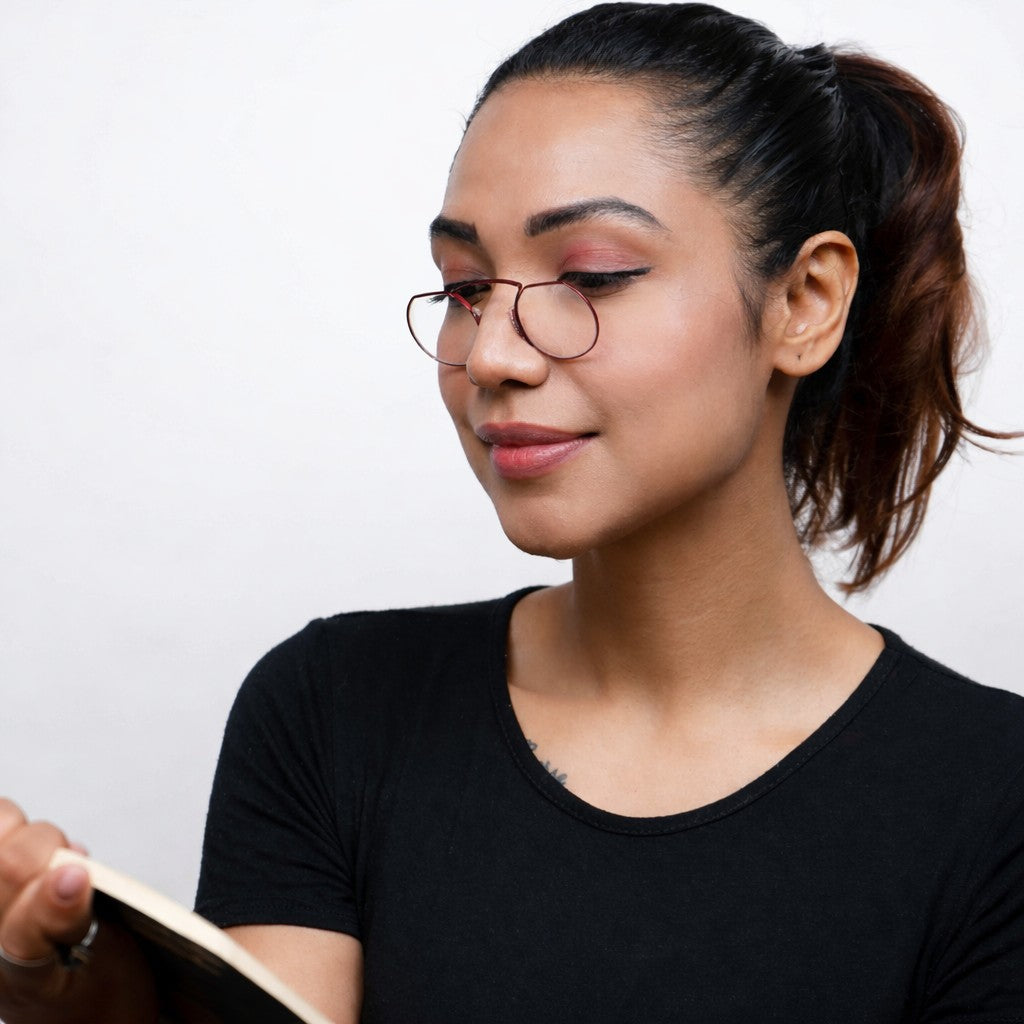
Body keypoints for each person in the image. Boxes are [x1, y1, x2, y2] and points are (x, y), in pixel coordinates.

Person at [2, 3, 1021, 1021]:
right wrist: (103, 1008)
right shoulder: (332, 713)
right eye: (464, 285)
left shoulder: (993, 800)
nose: (490, 352)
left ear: (803, 301)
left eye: (589, 276)